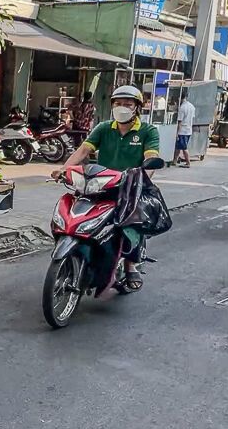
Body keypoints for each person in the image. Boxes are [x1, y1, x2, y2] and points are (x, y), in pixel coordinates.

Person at [52, 85, 160, 291]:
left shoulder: (148, 131)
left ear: (137, 108)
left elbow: (151, 158)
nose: (122, 107)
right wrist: (63, 169)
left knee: (132, 221)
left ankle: (131, 265)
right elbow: (83, 150)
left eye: (127, 104)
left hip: (129, 188)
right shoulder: (104, 128)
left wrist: (141, 177)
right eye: (118, 103)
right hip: (99, 184)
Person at [175, 94, 196, 168]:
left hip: (182, 131)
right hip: (189, 130)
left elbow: (180, 121)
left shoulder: (182, 108)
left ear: (179, 98)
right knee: (178, 146)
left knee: (184, 147)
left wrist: (177, 133)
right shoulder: (192, 106)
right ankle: (174, 160)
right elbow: (192, 118)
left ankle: (188, 163)